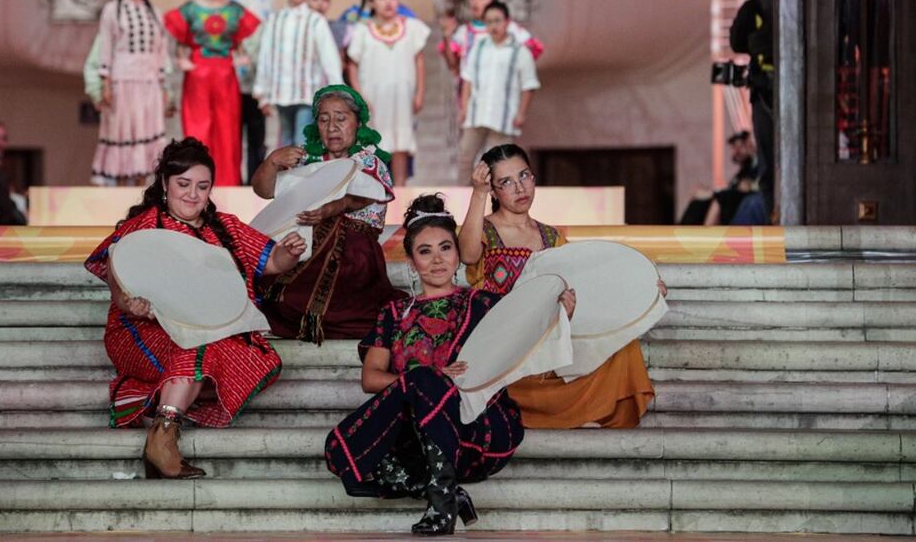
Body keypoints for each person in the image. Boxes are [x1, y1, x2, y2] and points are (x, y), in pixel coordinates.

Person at [84, 138, 306, 479]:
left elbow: (271, 261)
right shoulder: (145, 227)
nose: (192, 194)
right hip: (142, 332)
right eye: (183, 184)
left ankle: (160, 404)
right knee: (195, 349)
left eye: (202, 187)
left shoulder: (227, 228)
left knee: (240, 355)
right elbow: (119, 280)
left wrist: (287, 254)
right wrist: (130, 302)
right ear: (164, 184)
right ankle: (163, 439)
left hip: (213, 330)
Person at [325, 194, 543, 536]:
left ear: (458, 254)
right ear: (412, 261)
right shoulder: (394, 314)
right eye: (425, 251)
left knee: (422, 381)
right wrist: (429, 377)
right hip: (414, 437)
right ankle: (447, 492)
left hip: (475, 427)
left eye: (445, 248)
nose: (437, 259)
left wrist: (564, 310)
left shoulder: (484, 304)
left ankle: (441, 504)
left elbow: (531, 336)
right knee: (411, 400)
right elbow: (370, 378)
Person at [460, 144, 662, 429]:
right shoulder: (485, 231)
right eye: (506, 182)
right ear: (492, 190)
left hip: (549, 344)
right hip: (510, 356)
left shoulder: (551, 236)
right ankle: (569, 412)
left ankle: (596, 416)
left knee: (623, 349)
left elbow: (585, 287)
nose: (520, 188)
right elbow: (467, 255)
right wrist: (477, 194)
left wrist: (642, 291)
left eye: (524, 176)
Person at [252, 85, 401, 344]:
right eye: (324, 119)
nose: (332, 126)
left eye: (341, 118)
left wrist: (329, 210)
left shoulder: (370, 161)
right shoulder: (304, 158)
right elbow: (263, 191)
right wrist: (272, 161)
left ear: (358, 123)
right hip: (306, 242)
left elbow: (361, 197)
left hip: (355, 250)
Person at [164, 0, 261, 186]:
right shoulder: (188, 9)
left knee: (228, 130)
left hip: (226, 73)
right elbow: (180, 40)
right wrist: (181, 59)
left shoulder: (235, 9)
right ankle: (195, 183)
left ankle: (227, 183)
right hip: (198, 73)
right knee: (198, 127)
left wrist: (241, 56)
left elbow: (241, 42)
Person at [91, 0, 170, 187]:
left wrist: (163, 86)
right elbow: (106, 47)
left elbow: (161, 51)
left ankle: (142, 190)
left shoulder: (154, 12)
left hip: (149, 81)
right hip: (122, 80)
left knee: (148, 130)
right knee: (122, 130)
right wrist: (105, 83)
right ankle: (120, 188)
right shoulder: (112, 10)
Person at [346, 0, 429, 185]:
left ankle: (399, 192)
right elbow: (352, 65)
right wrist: (359, 96)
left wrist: (419, 93)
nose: (388, 1)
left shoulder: (411, 27)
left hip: (402, 96)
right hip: (373, 98)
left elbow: (419, 60)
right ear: (372, 1)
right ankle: (372, 195)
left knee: (400, 144)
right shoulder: (362, 30)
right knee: (372, 145)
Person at [253, 0, 343, 147]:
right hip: (282, 93)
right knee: (285, 141)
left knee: (302, 141)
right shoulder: (274, 19)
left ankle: (301, 175)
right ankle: (286, 175)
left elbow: (329, 57)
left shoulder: (315, 21)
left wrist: (337, 88)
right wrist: (261, 91)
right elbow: (265, 55)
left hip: (307, 93)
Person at [457, 2, 540, 185]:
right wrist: (464, 107)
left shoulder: (519, 51)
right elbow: (468, 79)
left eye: (497, 21)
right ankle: (461, 197)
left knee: (497, 162)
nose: (493, 26)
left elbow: (529, 85)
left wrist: (521, 113)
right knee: (465, 156)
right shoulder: (478, 48)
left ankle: (494, 200)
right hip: (476, 112)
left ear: (507, 22)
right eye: (489, 22)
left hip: (503, 115)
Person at [222, 0, 274, 184]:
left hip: (258, 78)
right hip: (229, 76)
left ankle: (255, 182)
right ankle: (231, 181)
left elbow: (270, 36)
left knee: (257, 135)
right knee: (231, 134)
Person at [729, 0, 774, 221]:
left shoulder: (757, 5)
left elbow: (736, 41)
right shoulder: (812, 3)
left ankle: (776, 224)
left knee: (769, 170)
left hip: (765, 90)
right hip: (805, 93)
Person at [438, 0, 544, 76]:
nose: (475, 1)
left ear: (493, 2)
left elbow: (530, 49)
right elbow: (452, 65)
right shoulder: (464, 31)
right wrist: (447, 36)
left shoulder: (509, 27)